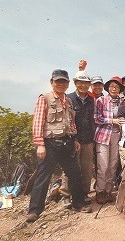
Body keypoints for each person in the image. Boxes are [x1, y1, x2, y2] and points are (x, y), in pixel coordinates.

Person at [27, 69, 92, 223]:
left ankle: (78, 204)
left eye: (64, 82)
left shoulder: (68, 101)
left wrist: (74, 139)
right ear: (52, 83)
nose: (61, 84)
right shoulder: (45, 98)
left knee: (75, 174)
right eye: (58, 81)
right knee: (43, 177)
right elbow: (38, 121)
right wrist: (40, 144)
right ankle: (34, 211)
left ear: (68, 84)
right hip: (49, 144)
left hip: (67, 142)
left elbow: (70, 122)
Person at [60, 70, 95, 207]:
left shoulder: (91, 100)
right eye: (80, 83)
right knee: (70, 168)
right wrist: (72, 138)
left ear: (89, 84)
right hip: (73, 139)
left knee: (87, 169)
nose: (83, 86)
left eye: (86, 83)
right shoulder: (68, 98)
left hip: (88, 139)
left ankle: (84, 193)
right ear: (75, 83)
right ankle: (66, 195)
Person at [94, 76, 125, 204]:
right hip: (103, 135)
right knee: (103, 165)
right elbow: (96, 118)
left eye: (117, 87)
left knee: (113, 164)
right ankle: (100, 191)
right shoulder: (101, 100)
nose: (114, 88)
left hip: (117, 135)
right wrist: (112, 121)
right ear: (108, 88)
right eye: (112, 86)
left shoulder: (123, 102)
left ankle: (108, 191)